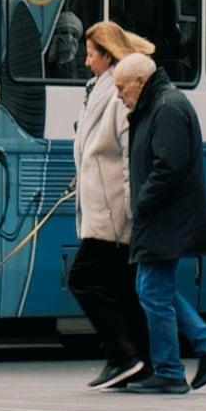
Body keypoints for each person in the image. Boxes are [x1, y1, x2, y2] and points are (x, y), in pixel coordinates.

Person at [113, 52, 206, 395]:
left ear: (140, 82)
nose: (120, 95)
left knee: (151, 291)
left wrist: (142, 202)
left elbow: (169, 165)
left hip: (165, 217)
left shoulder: (166, 107)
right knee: (152, 289)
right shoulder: (159, 103)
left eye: (122, 88)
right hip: (163, 216)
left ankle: (170, 370)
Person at [69, 21, 155, 390]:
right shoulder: (98, 89)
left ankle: (124, 356)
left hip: (112, 212)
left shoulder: (117, 94)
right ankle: (141, 362)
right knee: (123, 288)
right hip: (101, 206)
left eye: (91, 53)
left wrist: (131, 212)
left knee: (82, 279)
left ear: (107, 55)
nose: (86, 61)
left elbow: (127, 158)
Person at [46, 12, 87, 80]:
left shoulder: (82, 56)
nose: (69, 38)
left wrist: (68, 61)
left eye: (74, 35)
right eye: (64, 32)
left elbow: (76, 85)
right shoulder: (44, 53)